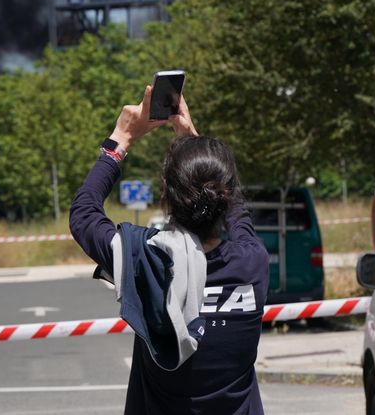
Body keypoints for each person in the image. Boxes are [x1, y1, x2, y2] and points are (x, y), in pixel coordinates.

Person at [69, 85, 269, 414]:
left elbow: (83, 215)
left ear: (167, 193)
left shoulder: (145, 259)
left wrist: (121, 138)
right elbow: (236, 210)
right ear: (226, 192)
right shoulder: (252, 262)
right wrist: (192, 140)